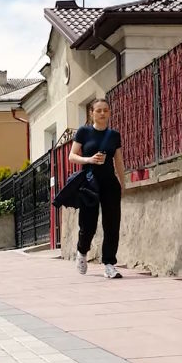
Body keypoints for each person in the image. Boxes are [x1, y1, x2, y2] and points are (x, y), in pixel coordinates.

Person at [68, 98, 125, 279]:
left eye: (105, 110)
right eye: (98, 110)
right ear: (91, 113)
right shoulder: (84, 132)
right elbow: (72, 156)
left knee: (112, 224)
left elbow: (119, 161)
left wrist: (123, 184)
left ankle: (109, 264)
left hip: (110, 183)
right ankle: (82, 252)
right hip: (90, 183)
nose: (102, 113)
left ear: (109, 113)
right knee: (88, 224)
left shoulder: (114, 135)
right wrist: (89, 159)